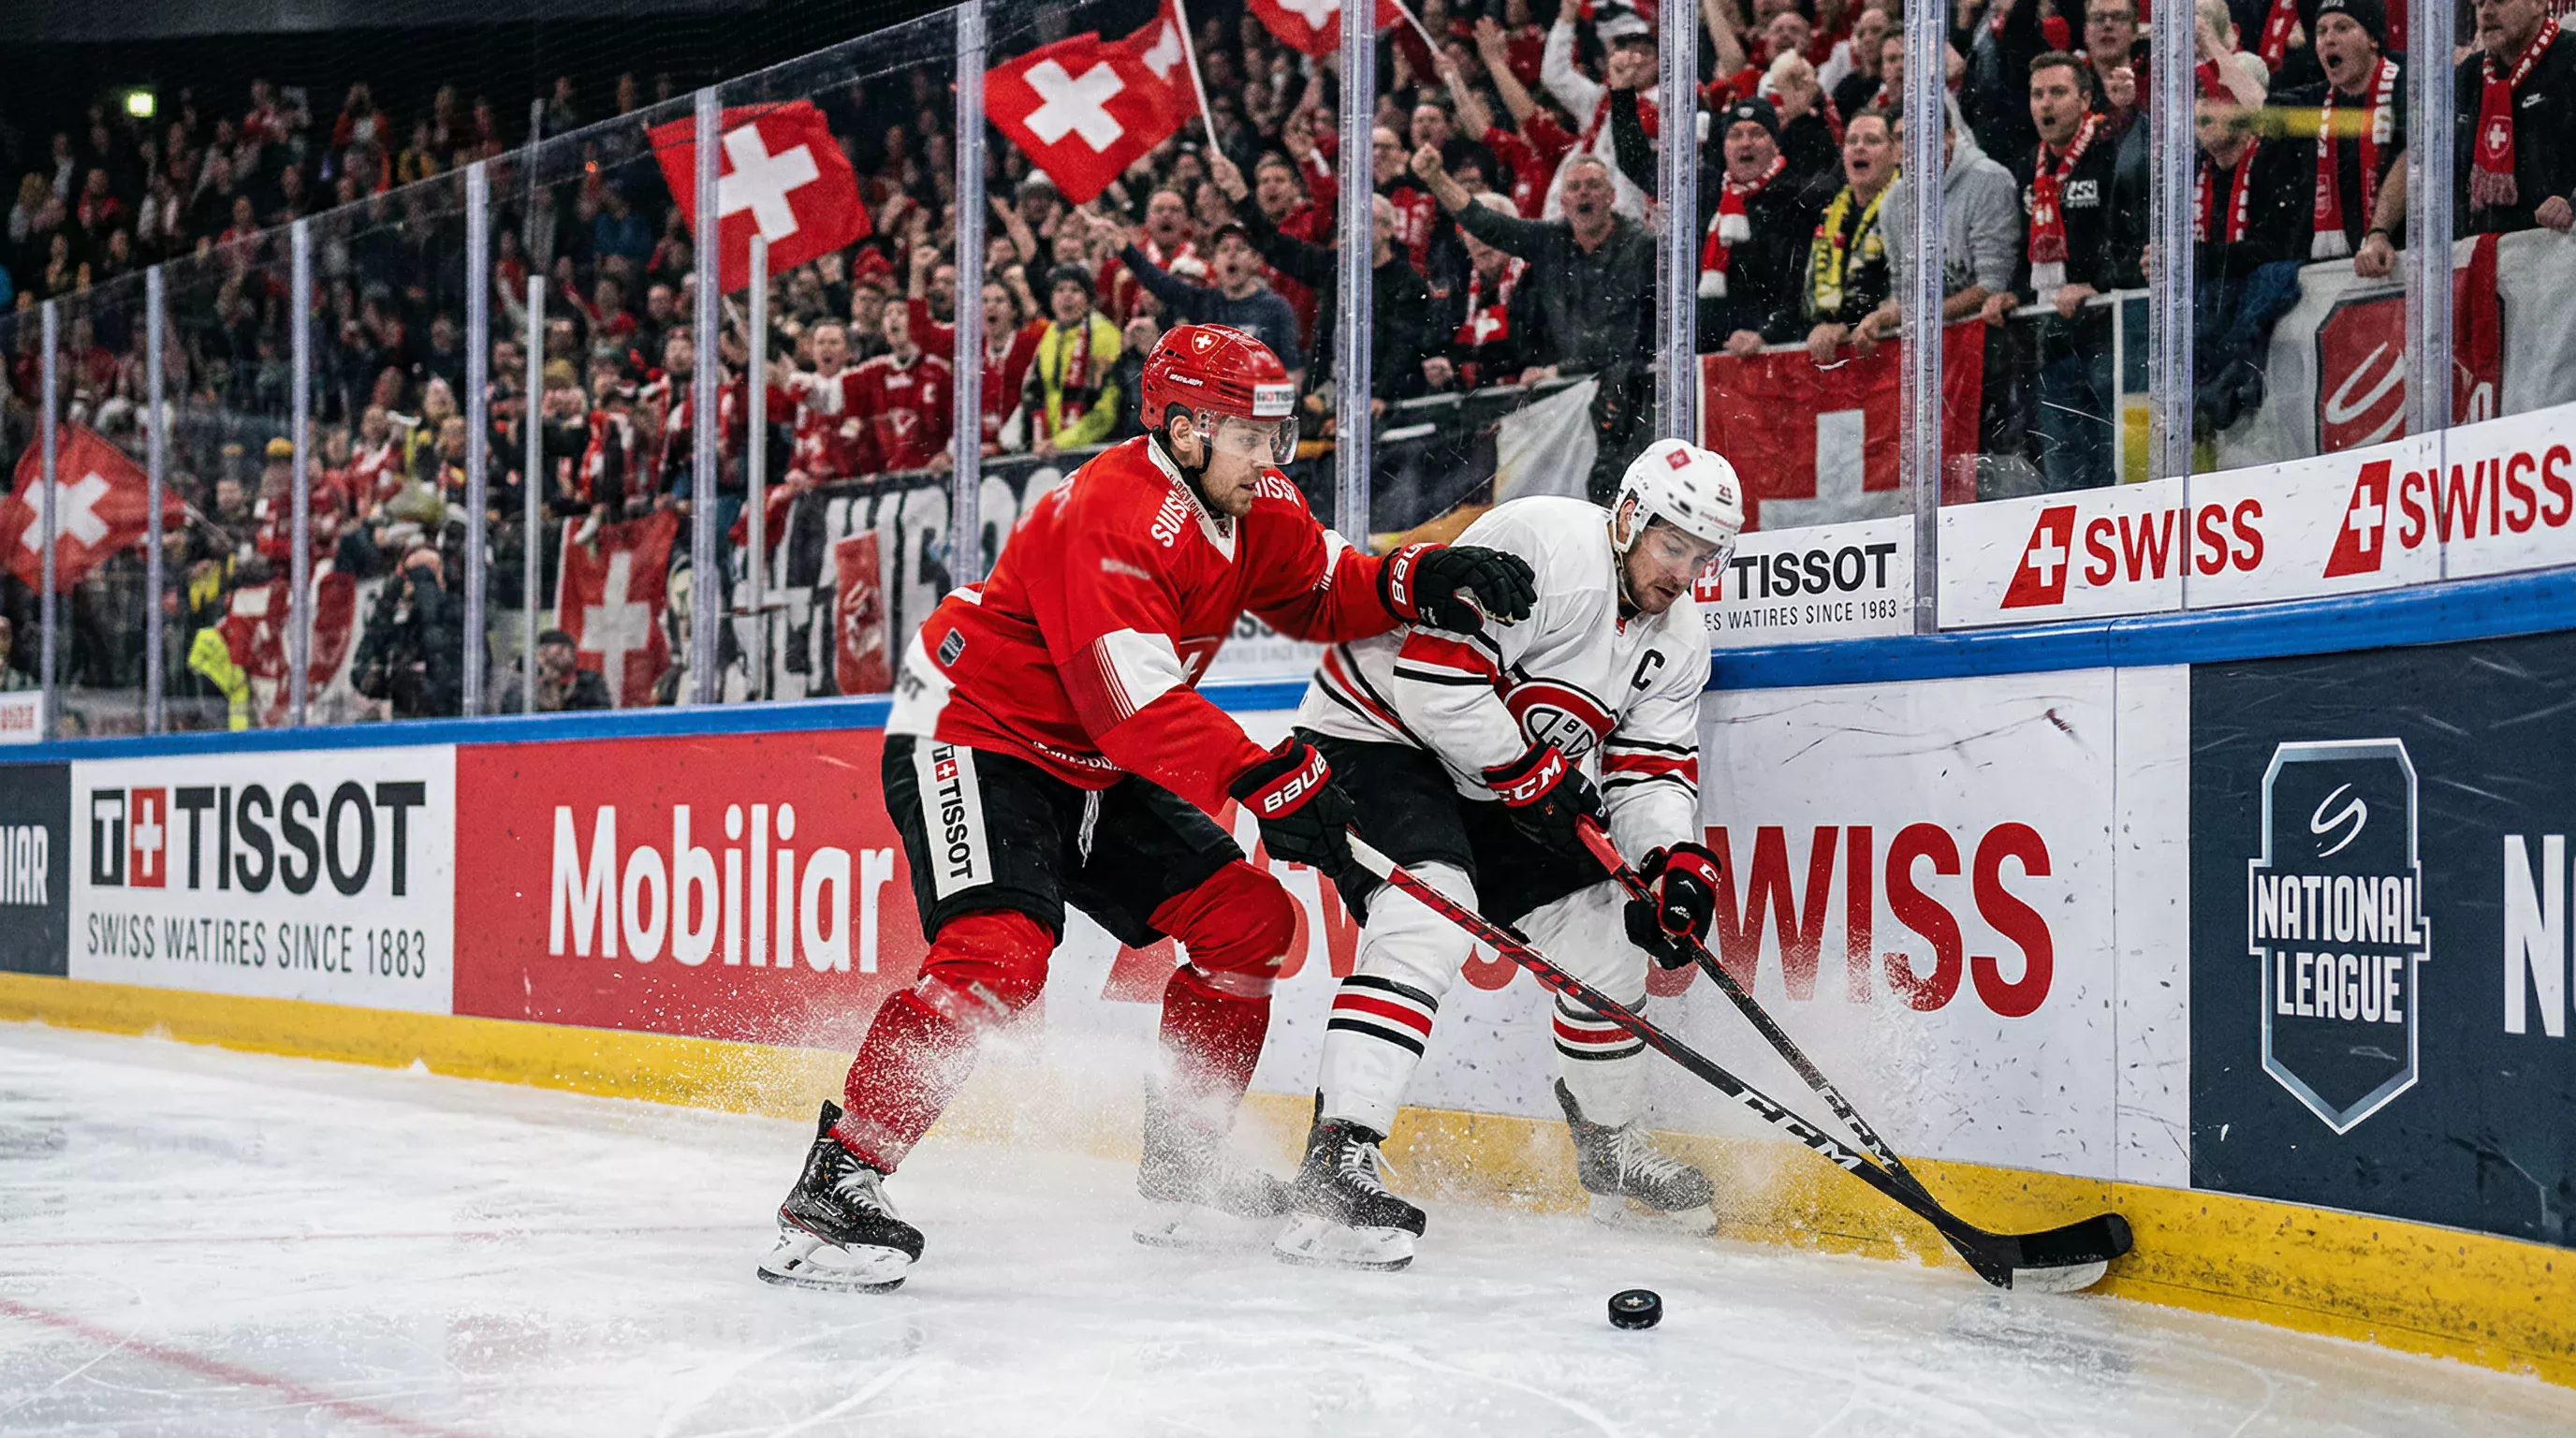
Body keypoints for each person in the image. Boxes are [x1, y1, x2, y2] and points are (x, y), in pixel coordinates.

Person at [758, 324, 1539, 1293]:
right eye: (1250, 436)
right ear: (1182, 428)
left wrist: (1421, 575)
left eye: (1272, 433)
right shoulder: (1110, 514)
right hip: (974, 736)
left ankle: (1184, 1166)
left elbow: (1319, 587)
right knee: (1000, 951)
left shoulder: (1249, 500)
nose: (1271, 454)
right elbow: (1134, 709)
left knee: (1250, 922)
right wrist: (1272, 778)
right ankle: (836, 1187)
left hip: (1087, 757)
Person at [1276, 439, 1746, 1269]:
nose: (1684, 572)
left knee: (1606, 943)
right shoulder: (1545, 544)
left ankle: (1610, 1147)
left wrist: (1669, 858)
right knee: (1428, 907)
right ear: (1630, 516)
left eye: (1704, 556)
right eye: (1674, 544)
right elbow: (1434, 683)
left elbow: (1648, 770)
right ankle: (1335, 1160)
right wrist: (1531, 775)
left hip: (1495, 776)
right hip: (1378, 736)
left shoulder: (1679, 641)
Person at [1411, 149, 1655, 496]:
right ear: (1563, 200)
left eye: (1593, 185)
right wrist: (1437, 178)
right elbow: (1487, 224)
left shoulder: (1641, 247)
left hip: (1631, 397)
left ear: (1612, 196)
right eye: (1575, 187)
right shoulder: (1552, 241)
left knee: (1621, 493)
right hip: (1570, 400)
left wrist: (1562, 370)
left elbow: (1624, 338)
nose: (1584, 193)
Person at [1988, 53, 2144, 492]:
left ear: (2085, 98)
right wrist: (2012, 293)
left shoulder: (2113, 149)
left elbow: (2135, 234)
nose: (2045, 105)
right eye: (2037, 94)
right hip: (2051, 339)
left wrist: (2098, 284)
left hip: (2110, 330)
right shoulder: (2028, 165)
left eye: (2057, 92)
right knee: (2064, 469)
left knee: (2117, 464)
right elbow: (2025, 251)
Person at [2189, 96, 2310, 433]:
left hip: (2274, 341)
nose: (2203, 113)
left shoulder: (2275, 159)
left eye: (2216, 99)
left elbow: (2278, 246)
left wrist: (2196, 259)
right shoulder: (2194, 174)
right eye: (2197, 107)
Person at [1096, 211, 1306, 380]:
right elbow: (1162, 284)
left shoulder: (1275, 307)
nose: (1231, 254)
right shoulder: (1204, 302)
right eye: (1223, 249)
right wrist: (1126, 250)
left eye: (1240, 248)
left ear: (1256, 261)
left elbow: (1291, 370)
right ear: (1214, 263)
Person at [2278, 0, 2408, 268]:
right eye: (2322, 31)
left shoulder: (2407, 80)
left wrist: (2379, 232)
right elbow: (2253, 109)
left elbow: (2417, 154)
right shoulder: (2315, 99)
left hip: (2402, 262)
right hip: (2342, 271)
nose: (2329, 40)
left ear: (2373, 39)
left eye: (2342, 27)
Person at [1799, 112, 1902, 366]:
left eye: (1872, 141)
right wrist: (1824, 324)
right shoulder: (1832, 212)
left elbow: (1898, 286)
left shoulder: (1905, 206)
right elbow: (1812, 290)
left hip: (1888, 348)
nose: (1859, 147)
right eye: (1852, 141)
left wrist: (1845, 325)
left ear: (1894, 153)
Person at [1024, 265, 1123, 457]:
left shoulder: (1103, 335)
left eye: (1075, 290)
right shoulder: (1050, 334)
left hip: (1091, 452)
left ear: (1088, 300)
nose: (1066, 296)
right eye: (1059, 290)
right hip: (1053, 451)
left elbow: (1106, 409)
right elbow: (1038, 393)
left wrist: (1062, 443)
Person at [499, 628, 613, 712]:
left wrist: (556, 685)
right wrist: (541, 682)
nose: (566, 657)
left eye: (567, 651)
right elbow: (512, 714)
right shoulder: (525, 683)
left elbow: (600, 713)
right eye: (558, 653)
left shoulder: (590, 681)